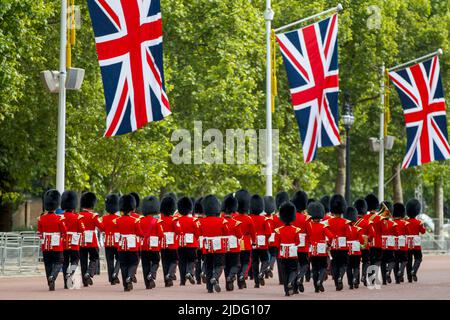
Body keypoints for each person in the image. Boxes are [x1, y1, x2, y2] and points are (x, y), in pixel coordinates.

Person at [198, 195, 229, 293]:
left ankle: (209, 288)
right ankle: (215, 278)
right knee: (219, 265)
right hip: (219, 246)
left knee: (208, 266)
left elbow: (199, 233)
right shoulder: (222, 221)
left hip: (207, 246)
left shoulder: (201, 221)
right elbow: (227, 233)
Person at [38, 189, 67, 291]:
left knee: (48, 264)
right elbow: (64, 231)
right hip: (56, 243)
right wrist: (61, 239)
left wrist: (44, 240)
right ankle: (53, 277)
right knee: (59, 262)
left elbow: (39, 233)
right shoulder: (59, 218)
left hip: (45, 244)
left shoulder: (41, 218)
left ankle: (50, 283)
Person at [115, 194, 143, 291]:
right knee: (134, 262)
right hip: (132, 246)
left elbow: (116, 235)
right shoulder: (135, 220)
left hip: (122, 246)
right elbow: (140, 233)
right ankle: (130, 277)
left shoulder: (117, 220)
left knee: (123, 265)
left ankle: (125, 286)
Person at [305, 202, 334, 293]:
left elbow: (307, 237)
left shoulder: (309, 226)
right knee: (323, 267)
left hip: (313, 249)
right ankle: (319, 281)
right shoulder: (323, 226)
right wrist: (328, 245)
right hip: (321, 249)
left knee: (314, 268)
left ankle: (316, 288)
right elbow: (331, 236)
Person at [274, 201, 301, 296]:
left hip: (283, 253)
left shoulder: (278, 230)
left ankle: (286, 291)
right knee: (293, 270)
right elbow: (298, 242)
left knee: (284, 272)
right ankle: (290, 283)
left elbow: (276, 244)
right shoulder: (296, 230)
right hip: (292, 253)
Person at [79, 192, 104, 287]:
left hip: (81, 241)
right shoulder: (94, 216)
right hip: (92, 241)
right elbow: (102, 227)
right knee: (94, 257)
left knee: (83, 260)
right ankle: (89, 273)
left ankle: (85, 281)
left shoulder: (78, 216)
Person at [61, 190, 84, 289]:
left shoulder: (60, 217)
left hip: (64, 242)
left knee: (65, 262)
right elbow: (82, 230)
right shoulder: (77, 217)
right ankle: (70, 274)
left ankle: (66, 283)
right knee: (75, 260)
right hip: (74, 243)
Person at [327, 194, 351, 291]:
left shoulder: (329, 222)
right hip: (343, 247)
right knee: (343, 264)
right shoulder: (346, 222)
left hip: (333, 246)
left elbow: (328, 235)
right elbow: (349, 235)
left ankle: (337, 282)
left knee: (335, 264)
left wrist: (329, 244)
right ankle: (341, 277)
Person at [233, 189, 256, 289]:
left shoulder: (234, 218)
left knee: (238, 262)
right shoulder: (248, 219)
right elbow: (253, 232)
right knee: (246, 262)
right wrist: (254, 241)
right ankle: (243, 275)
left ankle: (239, 282)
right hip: (246, 242)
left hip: (236, 242)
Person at [140, 196, 164, 289]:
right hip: (154, 246)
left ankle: (147, 284)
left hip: (144, 246)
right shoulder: (157, 221)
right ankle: (152, 274)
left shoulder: (140, 221)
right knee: (156, 261)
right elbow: (161, 235)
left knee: (145, 264)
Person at [176, 197, 200, 286]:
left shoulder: (177, 220)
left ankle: (182, 281)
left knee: (182, 262)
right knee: (192, 260)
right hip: (192, 244)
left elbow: (176, 231)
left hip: (180, 244)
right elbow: (197, 233)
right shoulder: (194, 220)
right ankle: (190, 272)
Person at [221, 194, 243, 291]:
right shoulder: (235, 223)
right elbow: (239, 235)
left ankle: (228, 285)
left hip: (224, 247)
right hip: (234, 247)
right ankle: (231, 276)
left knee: (226, 266)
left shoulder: (221, 221)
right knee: (236, 265)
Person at [249, 194, 271, 288]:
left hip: (253, 242)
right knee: (265, 260)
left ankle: (256, 283)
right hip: (263, 243)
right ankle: (262, 273)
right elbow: (269, 232)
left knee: (254, 262)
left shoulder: (249, 218)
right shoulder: (264, 219)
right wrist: (265, 239)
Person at [291, 190, 311, 292]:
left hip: (293, 243)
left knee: (295, 265)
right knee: (304, 264)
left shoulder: (291, 217)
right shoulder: (306, 218)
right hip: (303, 244)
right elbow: (309, 232)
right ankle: (300, 279)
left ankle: (295, 287)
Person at [160, 195, 180, 287]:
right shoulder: (174, 220)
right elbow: (178, 231)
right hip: (172, 244)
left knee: (165, 262)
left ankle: (167, 281)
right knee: (174, 260)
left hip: (163, 244)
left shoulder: (160, 220)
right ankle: (170, 275)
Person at [102, 193, 121, 285]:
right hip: (117, 242)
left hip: (107, 242)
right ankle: (115, 273)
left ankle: (111, 279)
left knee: (109, 261)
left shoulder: (104, 218)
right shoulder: (119, 218)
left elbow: (102, 228)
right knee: (120, 259)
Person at [405, 198, 426, 282]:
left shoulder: (405, 221)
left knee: (408, 260)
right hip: (416, 242)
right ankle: (414, 270)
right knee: (418, 258)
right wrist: (423, 225)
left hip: (408, 242)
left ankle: (409, 278)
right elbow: (423, 231)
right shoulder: (419, 222)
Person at [353, 198, 372, 286]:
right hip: (365, 245)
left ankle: (356, 281)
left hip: (355, 245)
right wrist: (369, 240)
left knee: (356, 263)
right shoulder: (367, 222)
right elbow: (372, 234)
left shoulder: (352, 222)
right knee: (366, 261)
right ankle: (364, 276)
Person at [345, 206, 365, 289]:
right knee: (356, 266)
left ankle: (350, 283)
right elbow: (361, 240)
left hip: (348, 249)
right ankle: (355, 281)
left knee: (349, 267)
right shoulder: (358, 229)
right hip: (356, 249)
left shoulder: (345, 228)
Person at [264, 195, 281, 279]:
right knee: (274, 254)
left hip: (265, 238)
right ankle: (270, 267)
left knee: (267, 254)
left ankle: (266, 271)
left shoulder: (263, 218)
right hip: (274, 238)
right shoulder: (276, 218)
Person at [274, 191, 290, 284]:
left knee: (280, 259)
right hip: (288, 239)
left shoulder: (276, 216)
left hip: (279, 240)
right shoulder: (290, 214)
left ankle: (282, 279)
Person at [392, 202, 408, 284]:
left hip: (394, 244)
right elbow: (407, 232)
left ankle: (397, 279)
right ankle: (400, 271)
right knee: (404, 260)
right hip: (402, 244)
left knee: (396, 261)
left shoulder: (392, 223)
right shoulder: (404, 223)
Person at [380, 201, 396, 285]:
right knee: (392, 260)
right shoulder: (392, 223)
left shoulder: (379, 223)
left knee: (382, 262)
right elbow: (396, 233)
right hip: (389, 244)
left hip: (381, 244)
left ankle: (384, 281)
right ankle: (388, 271)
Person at [193, 197, 205, 285]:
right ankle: (204, 272)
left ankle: (198, 279)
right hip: (205, 242)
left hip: (197, 243)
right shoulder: (206, 220)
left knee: (197, 261)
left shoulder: (194, 220)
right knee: (205, 260)